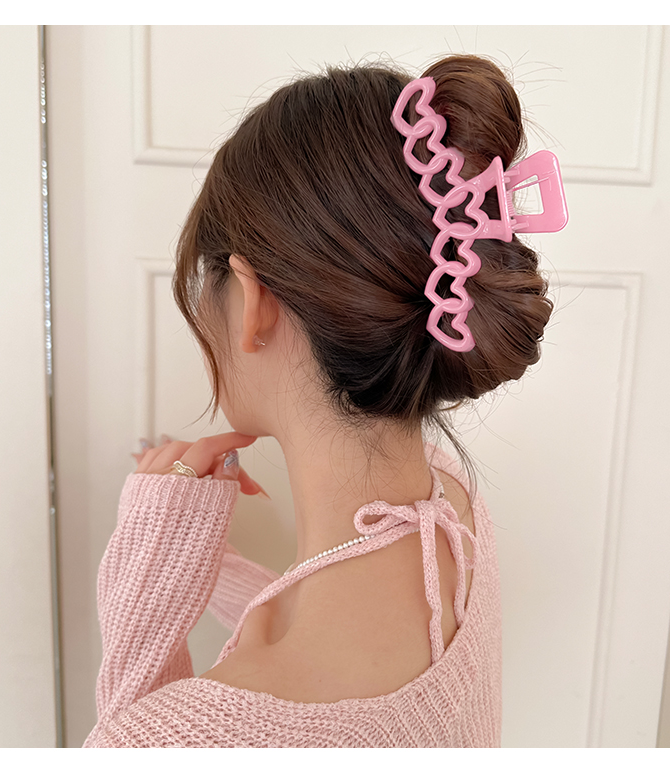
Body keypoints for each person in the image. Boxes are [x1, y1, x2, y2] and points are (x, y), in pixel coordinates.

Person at [83, 52, 565, 748]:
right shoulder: (454, 513)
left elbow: (138, 741)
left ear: (253, 300)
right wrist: (201, 559)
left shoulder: (169, 743)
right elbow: (320, 628)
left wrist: (144, 571)